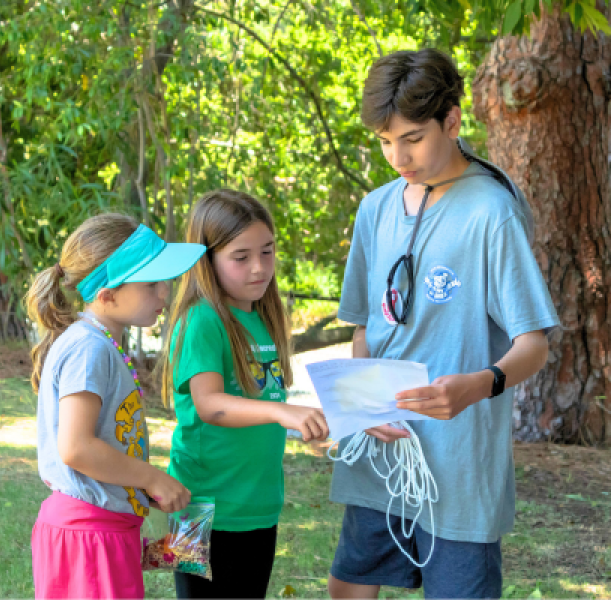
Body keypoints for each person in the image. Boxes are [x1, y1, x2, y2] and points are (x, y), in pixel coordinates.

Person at [327, 48, 560, 599]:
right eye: (385, 141)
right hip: (383, 453)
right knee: (347, 588)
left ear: (451, 121)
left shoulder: (492, 211)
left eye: (411, 138)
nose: (397, 156)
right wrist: (364, 407)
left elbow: (534, 344)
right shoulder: (375, 209)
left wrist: (480, 384)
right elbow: (364, 328)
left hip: (458, 464)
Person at [158, 189, 329, 598]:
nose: (259, 268)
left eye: (267, 252)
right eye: (241, 257)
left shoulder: (262, 318)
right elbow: (211, 405)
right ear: (207, 259)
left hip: (258, 506)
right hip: (199, 511)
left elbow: (261, 411)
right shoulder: (200, 319)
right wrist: (282, 413)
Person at [26, 213, 205, 599]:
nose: (164, 294)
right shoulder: (88, 348)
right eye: (152, 284)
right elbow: (76, 447)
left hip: (105, 528)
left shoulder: (102, 343)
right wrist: (152, 478)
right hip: (88, 533)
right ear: (106, 294)